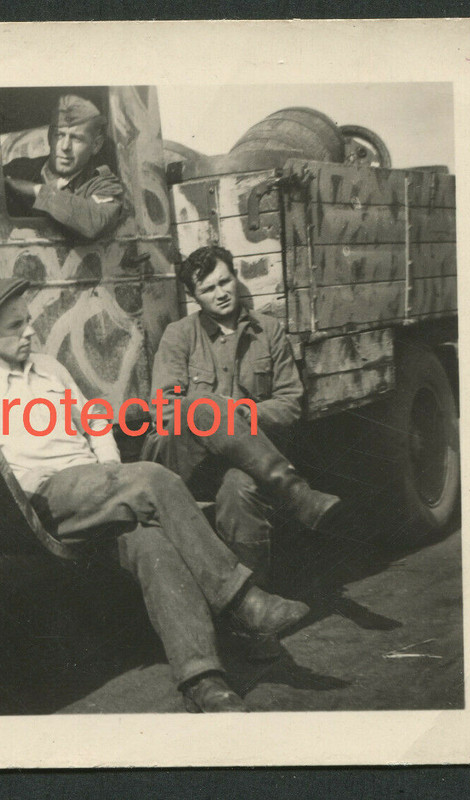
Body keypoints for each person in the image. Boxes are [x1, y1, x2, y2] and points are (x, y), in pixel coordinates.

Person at [0, 278, 313, 712]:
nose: (30, 332)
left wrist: (110, 469)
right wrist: (57, 483)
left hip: (98, 484)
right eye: (17, 327)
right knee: (152, 478)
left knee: (154, 543)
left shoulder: (51, 369)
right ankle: (242, 599)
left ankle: (204, 681)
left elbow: (94, 423)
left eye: (28, 321)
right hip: (47, 496)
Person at [142, 245, 341, 648]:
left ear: (235, 278)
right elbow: (164, 410)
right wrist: (218, 412)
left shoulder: (268, 332)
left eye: (224, 281)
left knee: (239, 488)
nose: (220, 293)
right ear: (194, 298)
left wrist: (244, 415)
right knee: (202, 405)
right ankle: (298, 494)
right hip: (185, 459)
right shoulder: (180, 336)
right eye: (207, 289)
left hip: (244, 464)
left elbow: (289, 406)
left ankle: (254, 622)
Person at [3, 94, 124, 240]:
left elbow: (95, 222)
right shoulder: (18, 170)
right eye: (59, 135)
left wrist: (37, 190)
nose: (65, 146)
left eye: (76, 138)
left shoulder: (104, 184)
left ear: (96, 145)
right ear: (49, 136)